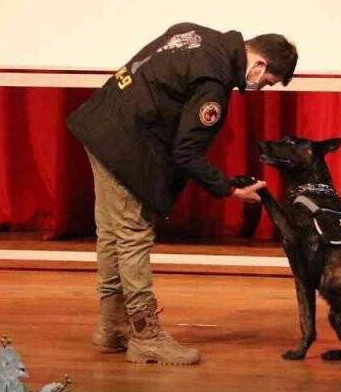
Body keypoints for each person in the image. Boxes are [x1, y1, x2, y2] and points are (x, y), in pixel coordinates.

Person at [66, 22, 298, 365]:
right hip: (124, 145)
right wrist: (229, 191)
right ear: (260, 65)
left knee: (112, 234)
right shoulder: (214, 84)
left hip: (102, 123)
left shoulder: (197, 34)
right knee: (132, 236)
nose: (258, 89)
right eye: (266, 83)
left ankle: (111, 327)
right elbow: (186, 153)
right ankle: (145, 336)